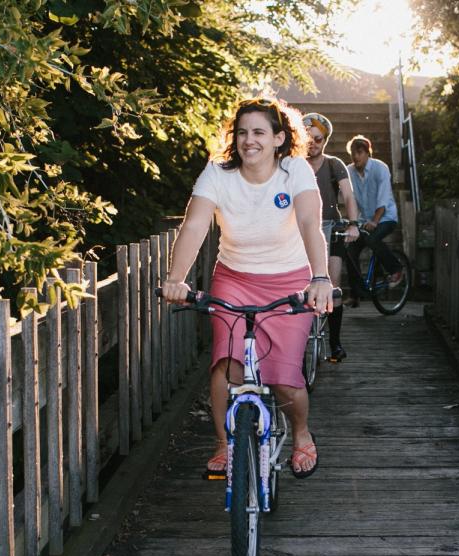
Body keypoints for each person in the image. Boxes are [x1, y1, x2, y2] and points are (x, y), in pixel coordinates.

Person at [161, 98, 332, 479]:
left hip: (289, 280)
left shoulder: (295, 171)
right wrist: (176, 278)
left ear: (278, 138)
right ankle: (224, 442)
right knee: (226, 365)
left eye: (258, 132)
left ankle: (302, 433)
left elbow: (308, 222)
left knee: (285, 378)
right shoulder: (217, 174)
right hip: (235, 279)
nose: (248, 140)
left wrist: (319, 277)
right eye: (241, 132)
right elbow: (194, 226)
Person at [302, 112, 359, 362]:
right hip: (301, 228)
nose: (313, 143)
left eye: (318, 139)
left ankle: (334, 343)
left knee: (333, 284)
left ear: (325, 141)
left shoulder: (334, 164)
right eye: (308, 138)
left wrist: (354, 224)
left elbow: (348, 195)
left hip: (331, 227)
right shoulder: (293, 164)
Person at [346, 135, 403, 289]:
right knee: (350, 248)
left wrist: (375, 221)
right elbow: (347, 196)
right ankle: (356, 293)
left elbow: (383, 199)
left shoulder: (380, 168)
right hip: (365, 220)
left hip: (386, 218)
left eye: (359, 152)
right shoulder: (349, 171)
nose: (356, 156)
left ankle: (396, 269)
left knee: (372, 239)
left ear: (367, 153)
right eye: (353, 153)